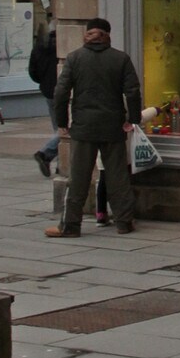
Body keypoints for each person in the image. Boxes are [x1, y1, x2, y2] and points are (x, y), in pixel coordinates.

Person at [46, 17, 141, 238]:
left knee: (78, 178)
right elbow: (133, 92)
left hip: (83, 127)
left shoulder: (74, 58)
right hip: (112, 126)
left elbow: (60, 92)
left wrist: (62, 122)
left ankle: (71, 225)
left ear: (87, 34)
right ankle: (124, 222)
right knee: (117, 176)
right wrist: (133, 119)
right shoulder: (121, 59)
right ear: (108, 35)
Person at [28, 23, 60, 175]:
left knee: (59, 128)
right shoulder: (64, 44)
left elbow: (33, 71)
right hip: (63, 90)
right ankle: (45, 153)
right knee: (67, 128)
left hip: (48, 91)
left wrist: (43, 82)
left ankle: (61, 164)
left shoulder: (39, 46)